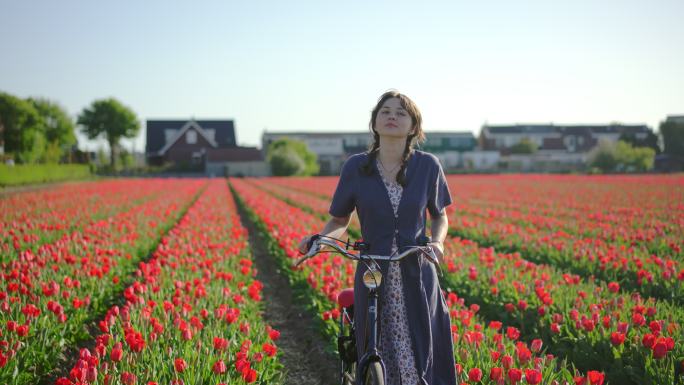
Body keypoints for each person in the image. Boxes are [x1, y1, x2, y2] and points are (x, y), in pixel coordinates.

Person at [297, 90, 456, 385]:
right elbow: (339, 219)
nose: (392, 116)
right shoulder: (356, 167)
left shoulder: (428, 166)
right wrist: (320, 239)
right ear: (375, 122)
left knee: (419, 349)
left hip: (416, 270)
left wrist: (437, 242)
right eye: (385, 111)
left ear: (413, 127)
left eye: (401, 112)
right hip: (373, 269)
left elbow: (440, 216)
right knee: (374, 344)